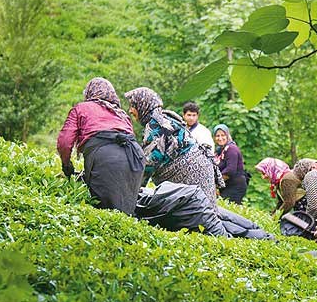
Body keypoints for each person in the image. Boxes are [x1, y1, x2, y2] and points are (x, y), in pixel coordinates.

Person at [57, 77, 144, 215]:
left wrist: (66, 165)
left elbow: (65, 142)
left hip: (105, 155)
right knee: (125, 212)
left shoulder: (81, 108)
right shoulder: (122, 114)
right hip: (136, 158)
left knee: (103, 212)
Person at [124, 87, 222, 207]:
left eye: (132, 106)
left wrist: (131, 194)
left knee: (200, 215)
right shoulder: (163, 117)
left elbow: (149, 164)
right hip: (200, 170)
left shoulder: (156, 124)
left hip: (192, 175)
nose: (130, 110)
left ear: (142, 105)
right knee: (206, 213)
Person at [213, 124, 248, 204]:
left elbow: (230, 170)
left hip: (235, 186)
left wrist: (216, 184)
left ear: (227, 135)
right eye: (217, 136)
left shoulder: (231, 149)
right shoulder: (219, 150)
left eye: (223, 135)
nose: (220, 138)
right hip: (225, 186)